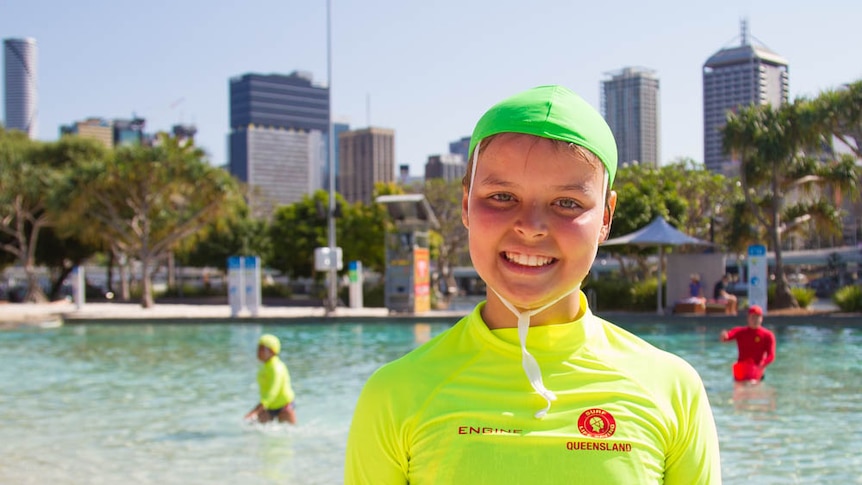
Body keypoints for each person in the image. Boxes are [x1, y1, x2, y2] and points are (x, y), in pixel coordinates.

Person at [345, 85, 721, 483]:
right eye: (502, 196)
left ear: (606, 217)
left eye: (567, 203)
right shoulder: (396, 396)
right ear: (466, 204)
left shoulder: (671, 390)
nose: (530, 227)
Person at [244, 334, 297, 424]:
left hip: (284, 406)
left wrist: (256, 410)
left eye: (262, 349)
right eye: (258, 348)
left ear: (272, 351)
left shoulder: (277, 368)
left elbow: (272, 392)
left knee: (291, 435)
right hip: (269, 406)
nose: (258, 352)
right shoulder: (265, 366)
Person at [720, 305, 775, 382]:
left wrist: (762, 365)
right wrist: (724, 336)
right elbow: (727, 337)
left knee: (755, 391)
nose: (755, 320)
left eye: (757, 317)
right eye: (753, 317)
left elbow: (771, 355)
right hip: (741, 371)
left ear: (761, 318)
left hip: (757, 371)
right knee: (740, 392)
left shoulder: (768, 335)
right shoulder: (740, 332)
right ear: (748, 318)